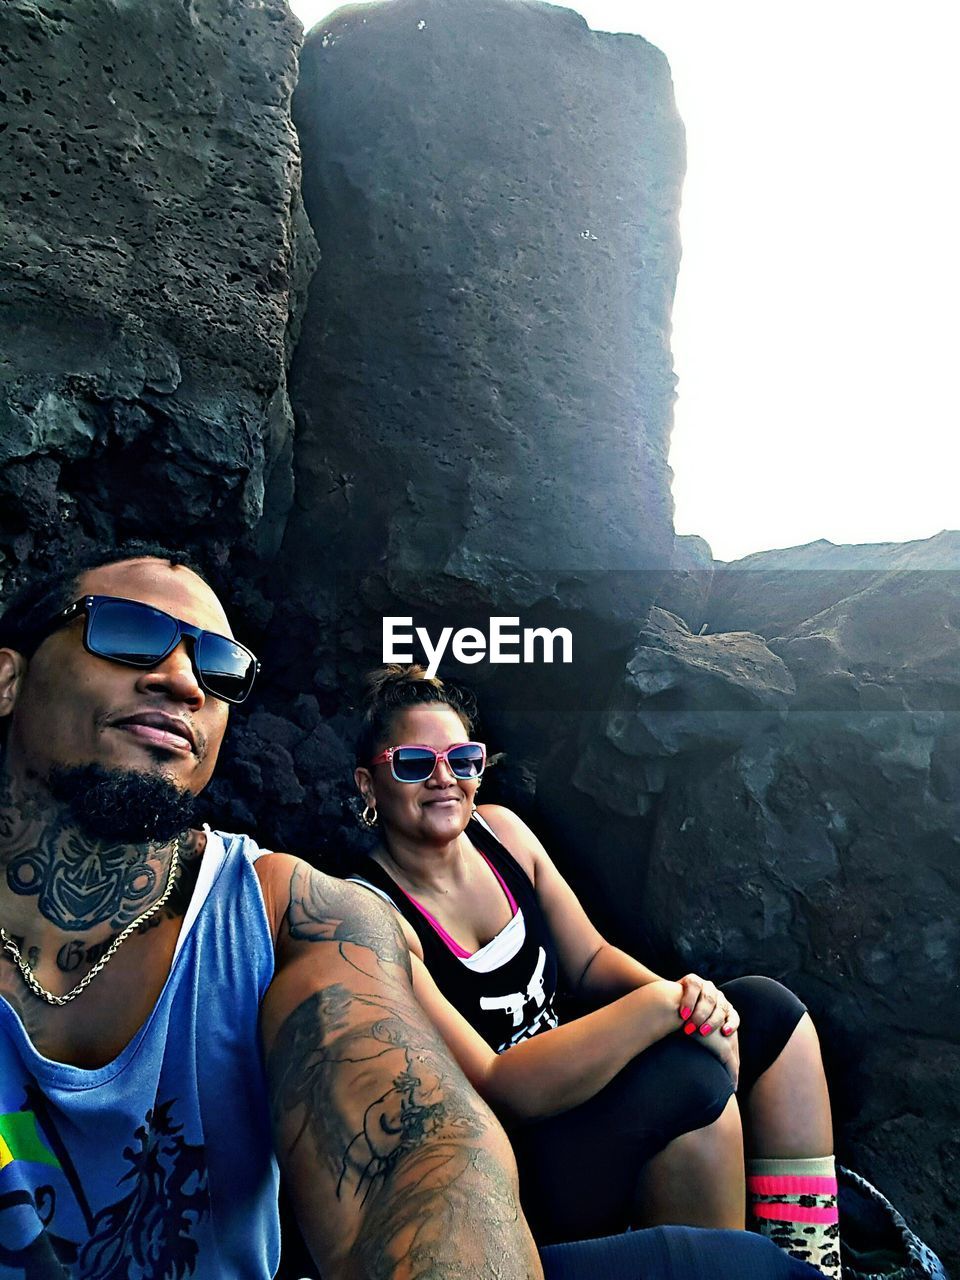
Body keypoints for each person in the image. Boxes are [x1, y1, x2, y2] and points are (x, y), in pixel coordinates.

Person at [0, 548, 543, 1280]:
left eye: (219, 667)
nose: (184, 680)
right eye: (128, 632)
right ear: (9, 677)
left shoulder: (296, 915)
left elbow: (421, 1157)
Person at [350, 667, 841, 1278]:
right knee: (691, 1078)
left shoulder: (503, 834)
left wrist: (693, 1002)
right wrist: (662, 1008)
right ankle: (726, 1267)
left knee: (769, 1012)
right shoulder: (372, 914)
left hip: (591, 1095)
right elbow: (498, 1083)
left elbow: (588, 960)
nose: (445, 778)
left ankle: (811, 1264)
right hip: (517, 1159)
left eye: (463, 758)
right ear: (369, 784)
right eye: (415, 763)